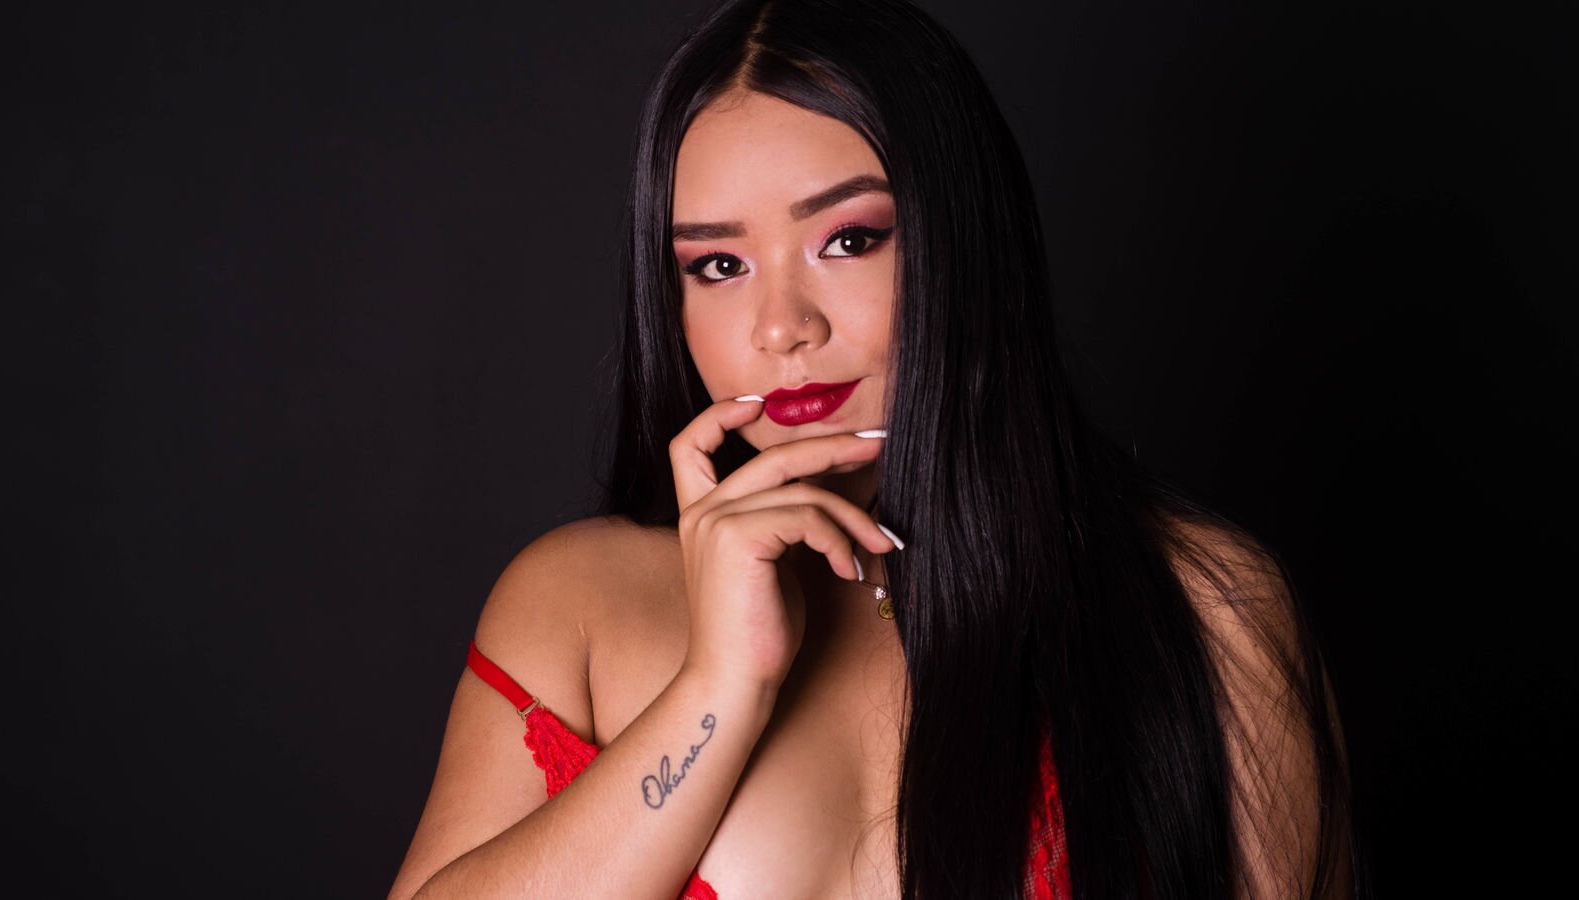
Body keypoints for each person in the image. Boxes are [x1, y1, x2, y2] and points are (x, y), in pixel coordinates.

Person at [389, 0, 1361, 897]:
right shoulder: (578, 602)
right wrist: (723, 685)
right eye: (719, 264)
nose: (781, 326)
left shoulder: (1206, 609)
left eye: (848, 240)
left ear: (963, 240)